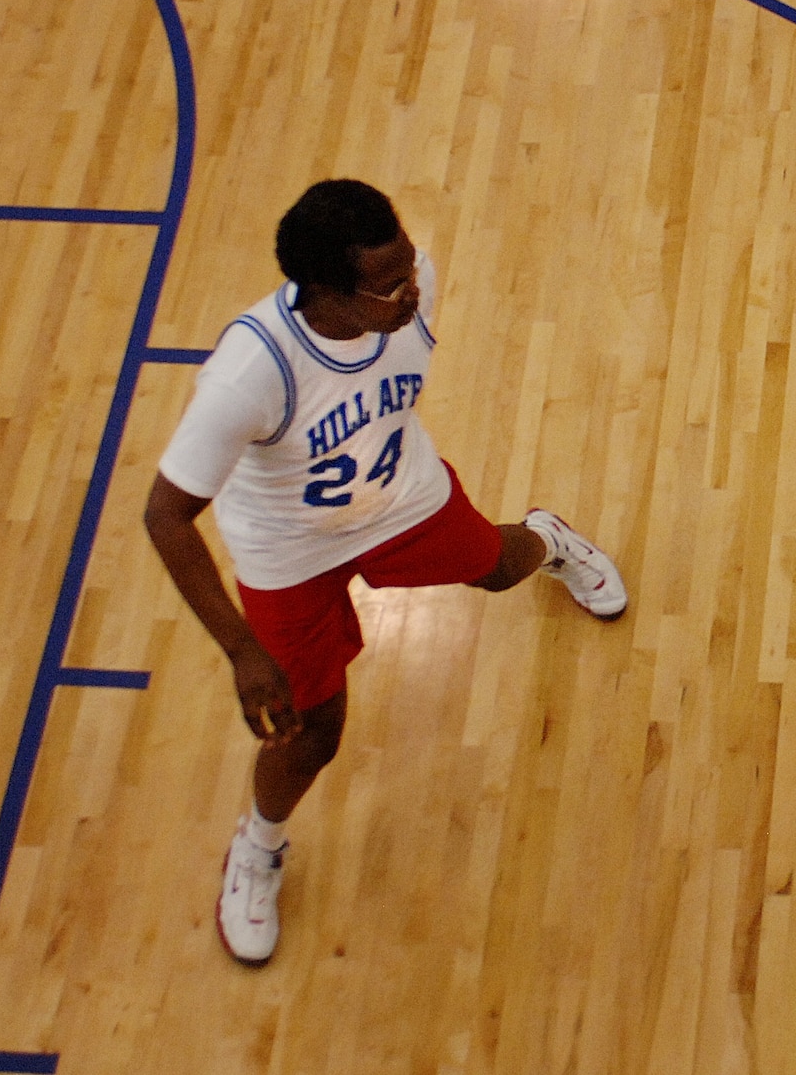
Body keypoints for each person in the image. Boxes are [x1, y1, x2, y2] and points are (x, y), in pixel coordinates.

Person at [143, 179, 628, 964]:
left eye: (408, 266)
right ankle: (259, 848)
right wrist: (241, 651)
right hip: (290, 553)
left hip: (399, 498)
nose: (413, 289)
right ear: (327, 291)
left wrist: (402, 286)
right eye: (390, 283)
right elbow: (165, 516)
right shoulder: (249, 374)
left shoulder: (412, 289)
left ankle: (552, 538)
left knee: (500, 568)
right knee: (314, 732)